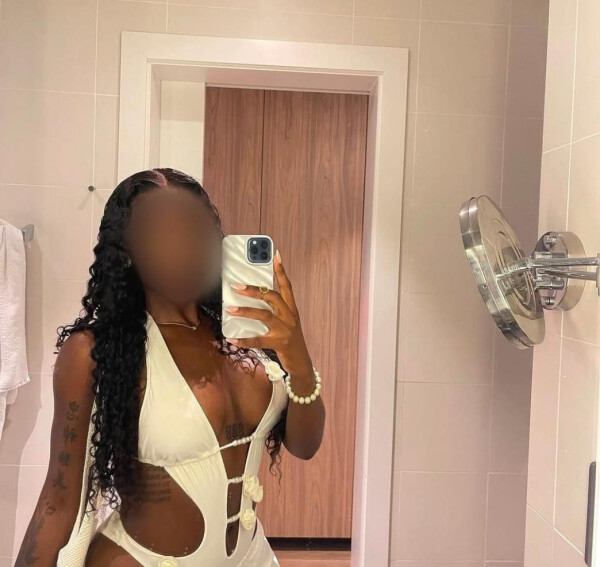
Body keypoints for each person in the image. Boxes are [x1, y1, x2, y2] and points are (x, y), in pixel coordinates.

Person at [14, 168, 326, 566]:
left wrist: (296, 352)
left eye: (195, 229)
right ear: (127, 251)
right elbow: (58, 502)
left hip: (254, 558)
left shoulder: (245, 336)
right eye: (158, 234)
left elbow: (305, 446)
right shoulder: (96, 350)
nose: (182, 248)